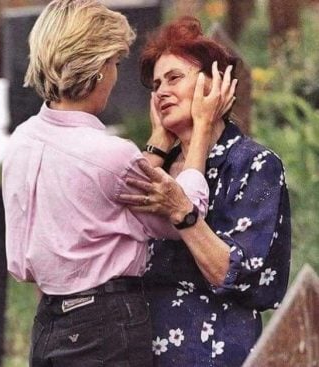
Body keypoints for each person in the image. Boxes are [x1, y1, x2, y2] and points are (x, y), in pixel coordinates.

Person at [1, 1, 235, 366]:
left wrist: (156, 146)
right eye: (114, 63)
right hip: (104, 324)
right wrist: (201, 131)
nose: (115, 75)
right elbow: (181, 213)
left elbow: (104, 187)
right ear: (96, 71)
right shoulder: (109, 154)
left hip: (50, 321)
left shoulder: (21, 141)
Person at [118, 16, 291, 366]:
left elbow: (237, 274)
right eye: (156, 85)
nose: (161, 91)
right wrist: (157, 145)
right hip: (142, 349)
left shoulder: (255, 165)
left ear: (215, 87)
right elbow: (115, 222)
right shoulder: (160, 167)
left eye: (174, 78)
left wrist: (185, 215)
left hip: (213, 350)